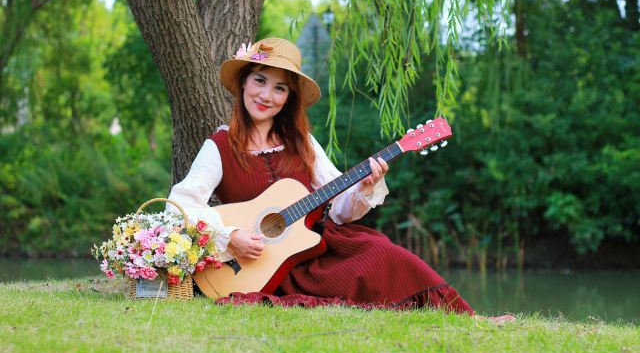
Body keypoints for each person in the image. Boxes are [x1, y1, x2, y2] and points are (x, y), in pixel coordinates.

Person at [167, 38, 476, 314]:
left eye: (280, 88)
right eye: (260, 80)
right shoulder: (219, 145)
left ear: (288, 98)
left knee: (385, 253)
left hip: (315, 251)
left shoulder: (302, 142)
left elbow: (340, 209)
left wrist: (364, 187)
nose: (266, 95)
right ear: (244, 82)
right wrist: (230, 236)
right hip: (258, 264)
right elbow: (179, 206)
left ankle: (463, 315)